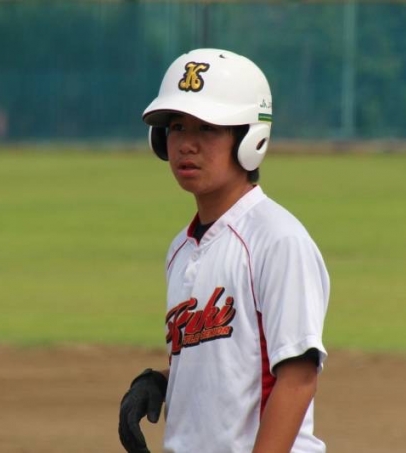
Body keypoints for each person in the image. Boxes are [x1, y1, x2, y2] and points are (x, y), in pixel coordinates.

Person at [118, 48, 330, 453]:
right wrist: (161, 382)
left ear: (249, 137)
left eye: (207, 128)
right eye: (177, 127)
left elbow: (298, 378)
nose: (187, 144)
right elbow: (224, 365)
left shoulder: (277, 240)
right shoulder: (182, 249)